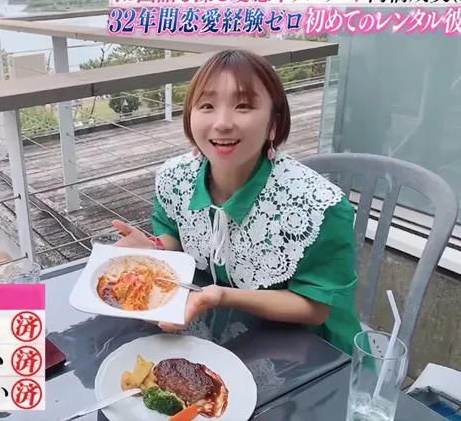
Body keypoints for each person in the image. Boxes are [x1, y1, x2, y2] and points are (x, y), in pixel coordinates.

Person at [112, 49, 362, 355]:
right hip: (226, 333)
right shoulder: (176, 178)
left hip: (312, 354)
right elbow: (174, 230)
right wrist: (156, 248)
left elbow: (315, 308)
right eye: (207, 105)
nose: (222, 123)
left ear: (273, 123)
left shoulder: (318, 208)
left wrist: (223, 297)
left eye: (243, 105)